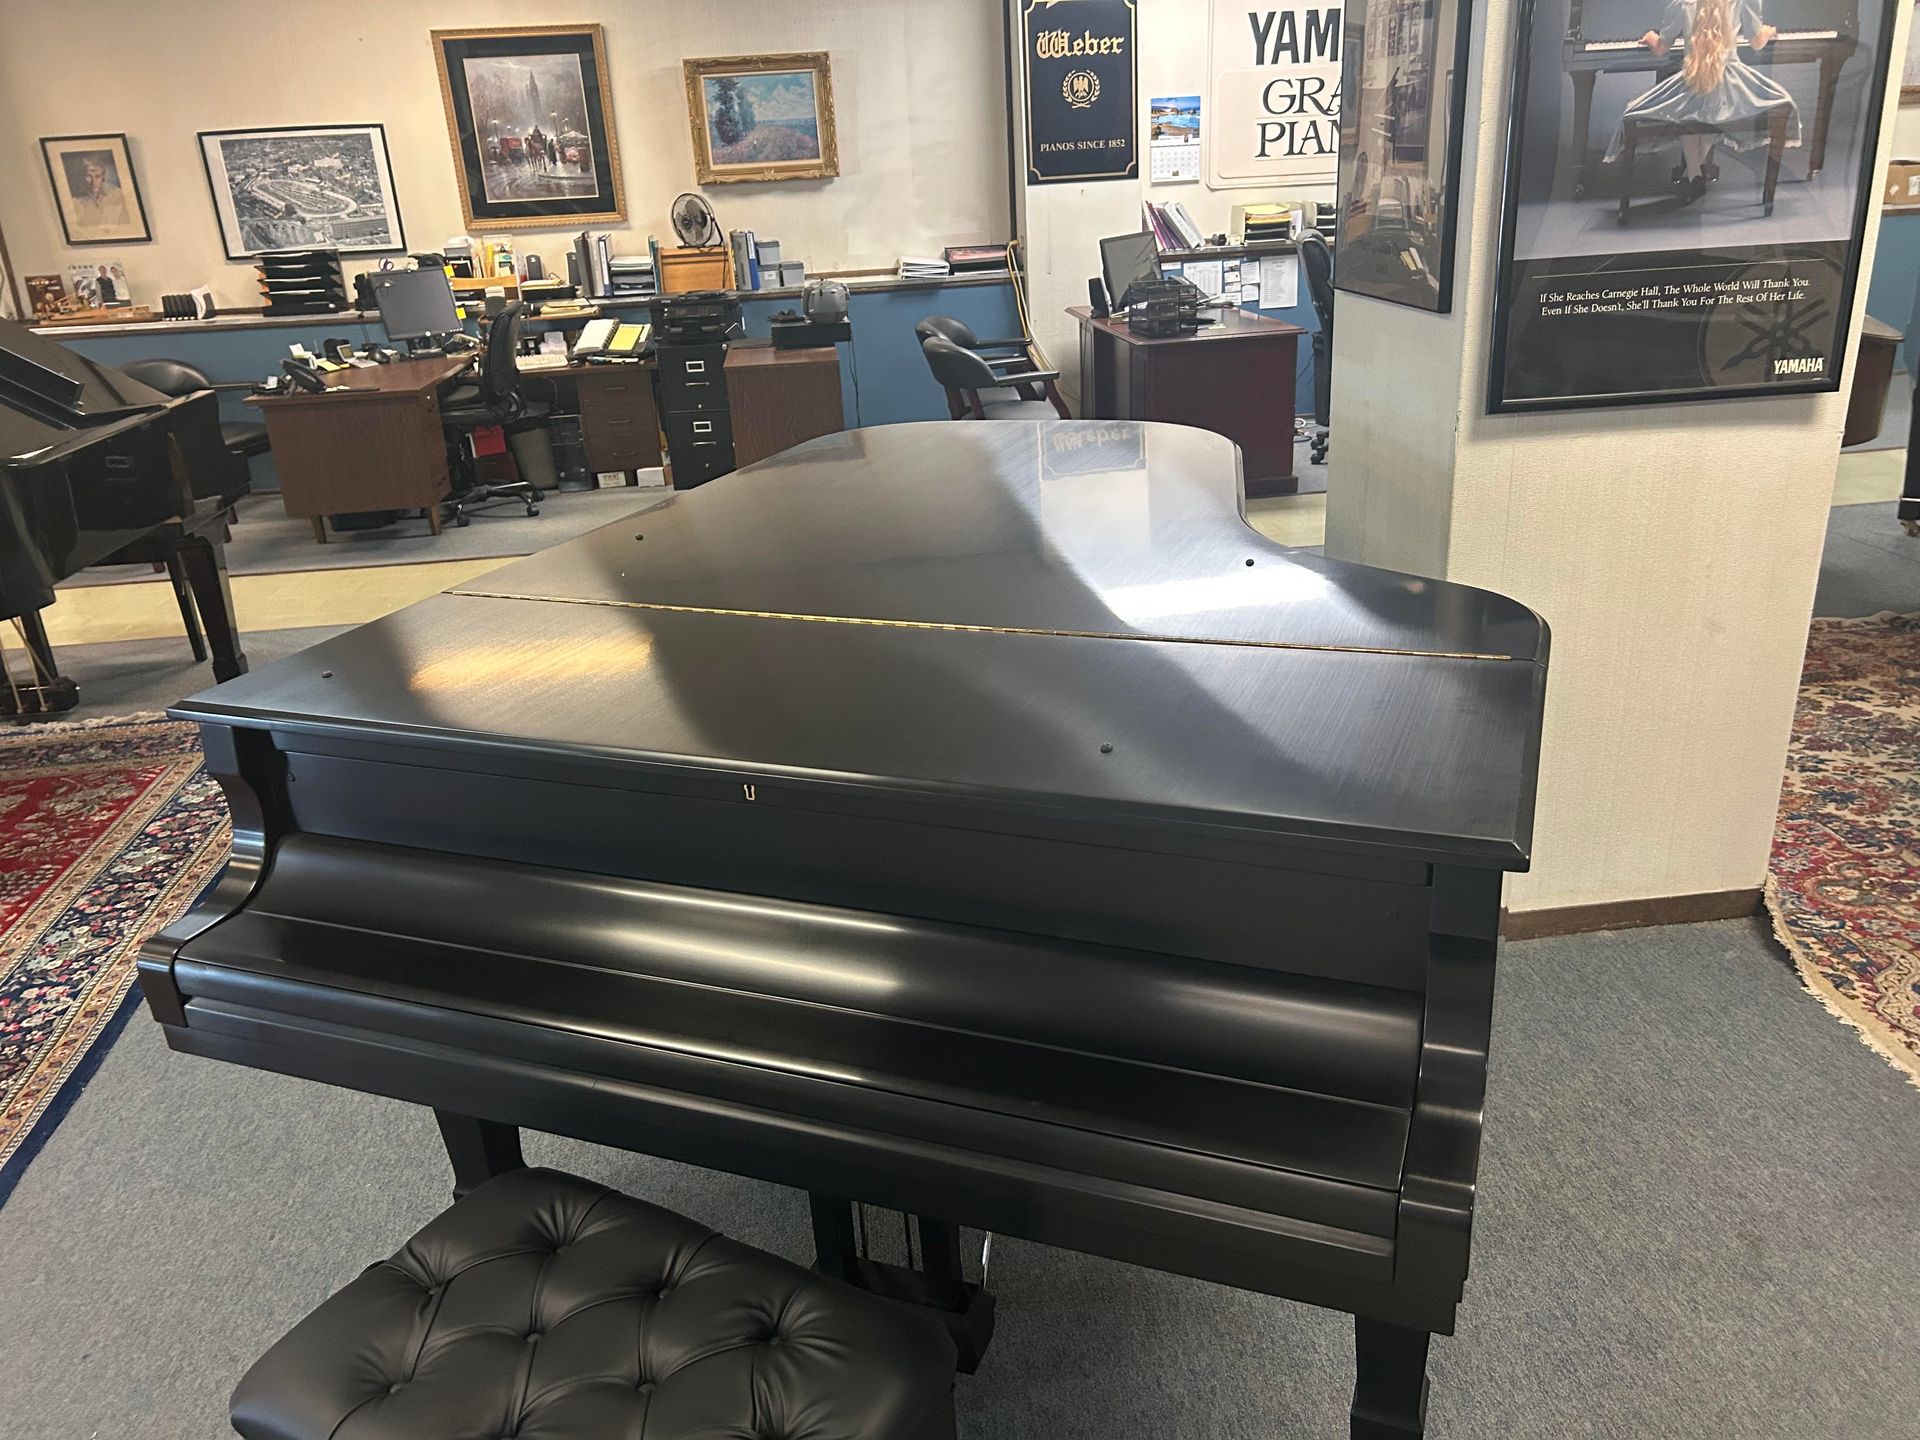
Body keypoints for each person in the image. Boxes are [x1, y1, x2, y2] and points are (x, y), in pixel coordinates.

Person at [1605, 0, 1800, 204]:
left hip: (1692, 78)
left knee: (1688, 109)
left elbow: (1661, 48)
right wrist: (1768, 32)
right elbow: (1757, 43)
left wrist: (1652, 37)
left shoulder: (1683, 3)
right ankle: (1694, 172)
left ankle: (1693, 173)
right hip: (1730, 84)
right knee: (1717, 109)